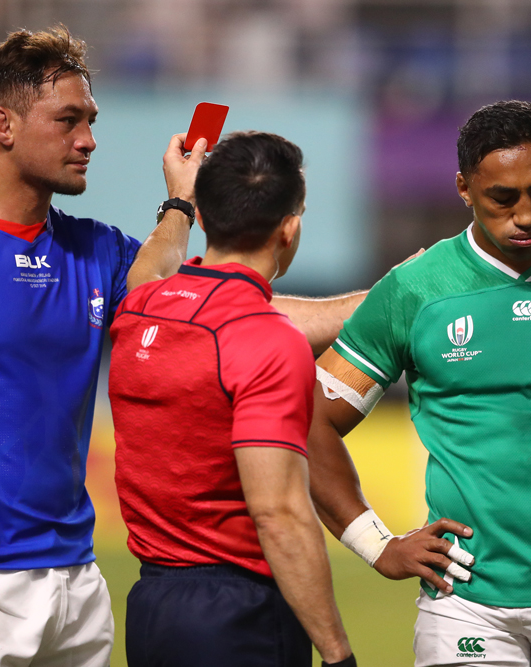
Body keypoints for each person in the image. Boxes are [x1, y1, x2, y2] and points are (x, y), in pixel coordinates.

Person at [0, 27, 361, 666]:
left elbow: (227, 313)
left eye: (90, 120)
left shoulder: (94, 249)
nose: (88, 139)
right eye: (68, 120)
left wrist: (384, 300)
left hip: (77, 585)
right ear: (1, 124)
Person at [306, 100, 531, 666]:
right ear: (464, 189)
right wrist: (375, 544)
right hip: (462, 608)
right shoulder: (416, 290)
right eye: (503, 198)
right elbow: (310, 420)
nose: (526, 214)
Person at [108, 131, 356, 667]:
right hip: (241, 616)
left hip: (151, 611)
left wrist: (178, 202)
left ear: (208, 216)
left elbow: (152, 266)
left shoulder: (140, 307)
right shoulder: (271, 340)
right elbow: (280, 515)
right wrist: (338, 653)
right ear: (289, 230)